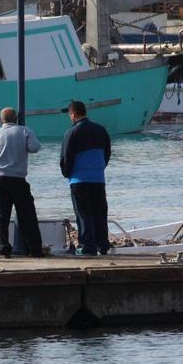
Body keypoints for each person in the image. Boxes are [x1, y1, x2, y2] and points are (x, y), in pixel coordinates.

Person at [0, 107, 43, 258]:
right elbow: (35, 148)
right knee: (27, 215)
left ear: (1, 120)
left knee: (1, 216)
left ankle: (4, 249)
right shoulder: (25, 131)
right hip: (18, 179)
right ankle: (35, 249)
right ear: (17, 118)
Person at [60, 101, 111, 256]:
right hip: (98, 179)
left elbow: (66, 157)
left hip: (79, 180)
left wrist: (67, 173)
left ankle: (88, 246)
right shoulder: (101, 130)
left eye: (70, 114)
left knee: (83, 214)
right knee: (99, 213)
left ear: (73, 113)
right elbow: (107, 153)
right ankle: (103, 245)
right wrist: (99, 168)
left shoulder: (72, 132)